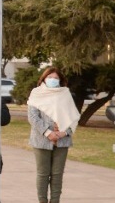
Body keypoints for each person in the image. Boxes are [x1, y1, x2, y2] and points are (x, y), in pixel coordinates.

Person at [27, 67, 80, 203]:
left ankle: (55, 201)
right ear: (44, 78)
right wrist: (48, 132)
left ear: (60, 80)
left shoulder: (65, 94)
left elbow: (73, 117)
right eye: (50, 77)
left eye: (56, 78)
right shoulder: (36, 93)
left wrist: (64, 132)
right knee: (43, 174)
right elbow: (33, 117)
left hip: (62, 140)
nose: (53, 80)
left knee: (57, 175)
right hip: (41, 139)